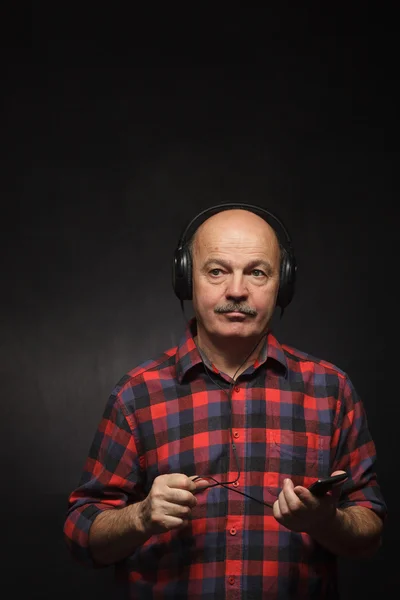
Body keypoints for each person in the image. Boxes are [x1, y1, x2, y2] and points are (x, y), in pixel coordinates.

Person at [64, 203, 387, 600]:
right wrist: (141, 516)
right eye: (217, 271)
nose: (236, 290)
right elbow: (81, 536)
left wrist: (326, 521)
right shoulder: (136, 394)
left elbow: (370, 535)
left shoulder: (332, 391)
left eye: (257, 272)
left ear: (282, 284)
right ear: (187, 280)